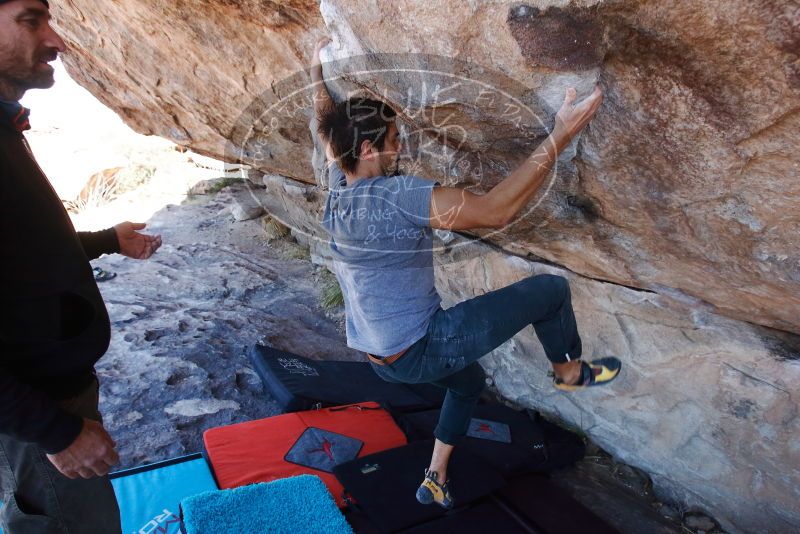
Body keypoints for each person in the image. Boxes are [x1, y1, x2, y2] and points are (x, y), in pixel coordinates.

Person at [310, 39, 621, 508]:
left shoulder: (337, 188)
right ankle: (569, 371)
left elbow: (324, 123)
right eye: (394, 140)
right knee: (551, 291)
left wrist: (317, 68)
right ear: (369, 147)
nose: (401, 147)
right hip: (421, 348)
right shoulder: (397, 196)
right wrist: (561, 133)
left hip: (378, 359)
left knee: (468, 384)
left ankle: (435, 476)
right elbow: (496, 211)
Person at [0, 1, 162, 531]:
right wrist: (55, 431)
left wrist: (105, 240)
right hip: (35, 408)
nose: (57, 42)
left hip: (47, 400)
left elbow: (23, 247)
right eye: (30, 21)